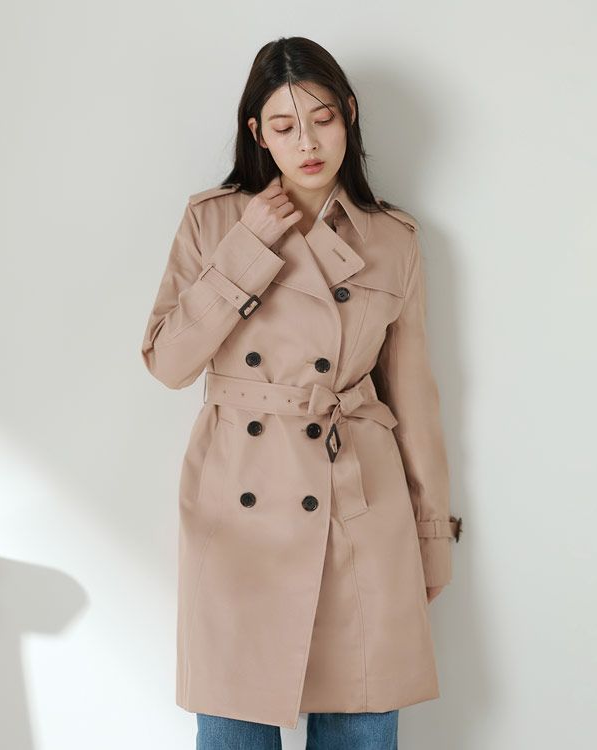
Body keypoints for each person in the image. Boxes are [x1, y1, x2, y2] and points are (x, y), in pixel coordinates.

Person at [140, 35, 463, 750]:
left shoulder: (393, 239)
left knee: (361, 724)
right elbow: (168, 362)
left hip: (360, 510)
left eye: (322, 119)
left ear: (349, 113)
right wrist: (247, 249)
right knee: (233, 727)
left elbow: (415, 400)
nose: (308, 144)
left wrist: (433, 534)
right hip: (239, 513)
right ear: (257, 133)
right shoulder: (213, 221)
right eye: (285, 127)